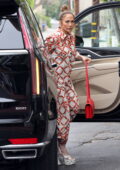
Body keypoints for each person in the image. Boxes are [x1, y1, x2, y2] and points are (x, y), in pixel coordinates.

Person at [44, 5, 91, 165]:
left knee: (74, 107)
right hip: (56, 82)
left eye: (72, 22)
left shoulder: (71, 37)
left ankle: (56, 142)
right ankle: (62, 149)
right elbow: (42, 56)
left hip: (67, 81)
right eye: (67, 21)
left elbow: (72, 52)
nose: (70, 24)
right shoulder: (53, 38)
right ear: (60, 22)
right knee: (63, 113)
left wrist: (81, 57)